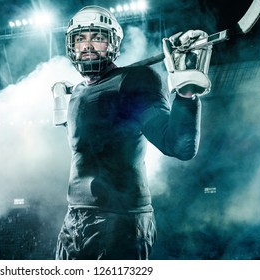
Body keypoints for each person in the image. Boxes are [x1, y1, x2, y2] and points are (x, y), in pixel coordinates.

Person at [51, 5, 212, 260]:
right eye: (80, 38)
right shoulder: (80, 90)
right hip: (74, 218)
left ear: (113, 43)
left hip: (120, 220)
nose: (88, 45)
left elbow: (179, 146)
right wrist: (66, 95)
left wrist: (185, 92)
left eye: (98, 37)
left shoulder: (133, 81)